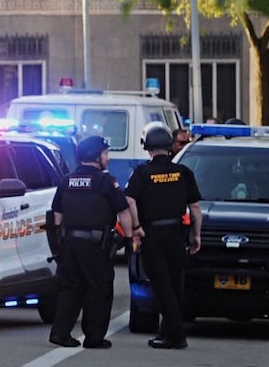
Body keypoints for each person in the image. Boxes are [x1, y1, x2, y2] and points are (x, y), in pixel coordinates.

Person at [48, 134, 134, 349]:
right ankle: (94, 337)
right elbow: (123, 211)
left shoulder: (66, 180)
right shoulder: (106, 181)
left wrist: (59, 243)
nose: (108, 158)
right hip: (95, 246)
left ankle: (60, 333)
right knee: (99, 289)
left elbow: (56, 214)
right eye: (106, 154)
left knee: (70, 289)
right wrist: (130, 238)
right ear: (97, 157)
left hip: (69, 244)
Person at [125, 123, 203, 350]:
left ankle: (175, 335)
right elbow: (195, 208)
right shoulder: (183, 172)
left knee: (161, 286)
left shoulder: (142, 173)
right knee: (175, 284)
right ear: (170, 147)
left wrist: (137, 227)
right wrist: (196, 235)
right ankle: (167, 330)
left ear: (148, 148)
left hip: (154, 234)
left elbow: (129, 200)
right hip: (177, 234)